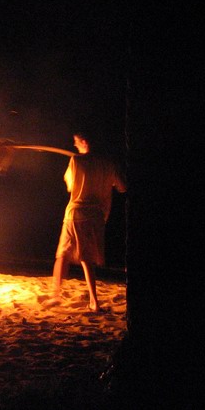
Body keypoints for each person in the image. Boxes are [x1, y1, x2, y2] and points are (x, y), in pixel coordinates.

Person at [49, 131, 126, 312]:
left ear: (84, 142)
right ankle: (68, 297)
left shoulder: (76, 161)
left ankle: (78, 299)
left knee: (65, 255)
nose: (75, 146)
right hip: (97, 217)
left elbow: (69, 185)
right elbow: (123, 187)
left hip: (76, 213)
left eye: (76, 142)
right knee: (80, 257)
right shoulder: (109, 164)